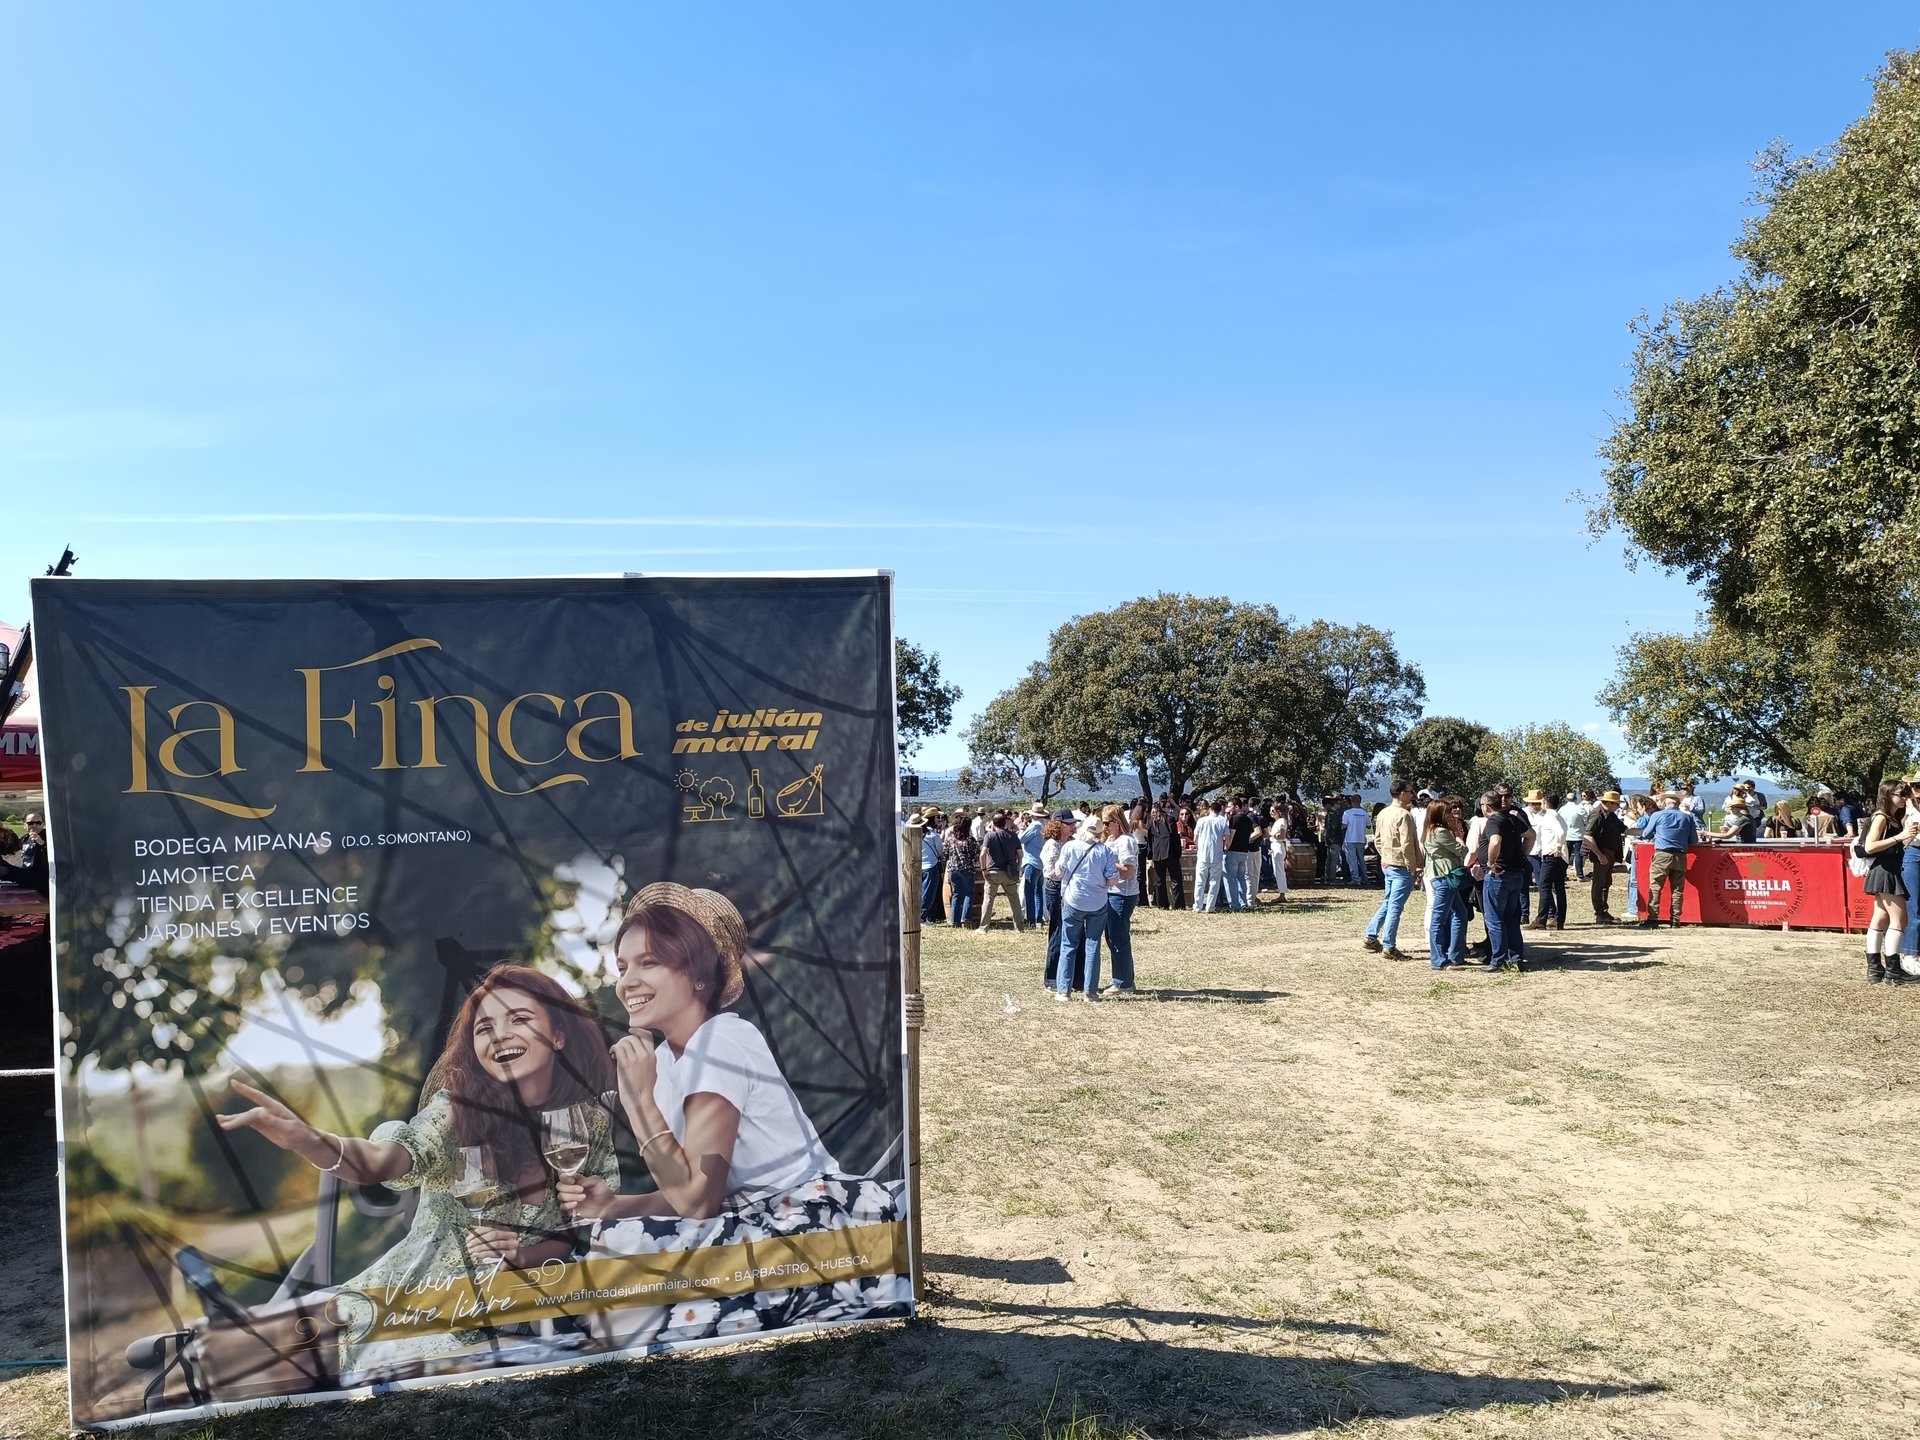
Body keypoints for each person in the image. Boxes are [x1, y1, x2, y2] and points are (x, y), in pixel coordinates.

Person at [219, 965, 618, 1378]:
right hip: (408, 1306)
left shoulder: (586, 1125)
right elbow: (381, 1161)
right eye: (484, 1028)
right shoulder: (456, 1113)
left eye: (519, 1019)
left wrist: (520, 1255)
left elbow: (567, 1236)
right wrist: (307, 1138)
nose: (499, 1034)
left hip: (501, 1313)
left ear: (558, 1035)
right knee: (235, 1369)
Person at [564, 884, 906, 1346]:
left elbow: (697, 1202)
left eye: (650, 962)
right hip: (744, 1216)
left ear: (698, 975)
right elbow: (694, 1186)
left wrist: (640, 1101)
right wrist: (613, 1206)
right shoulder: (664, 1060)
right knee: (613, 1244)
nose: (627, 982)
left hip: (807, 1216)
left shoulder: (720, 1041)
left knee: (624, 1267)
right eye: (623, 967)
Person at [1054, 817, 1119, 1001]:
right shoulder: (1105, 851)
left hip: (1073, 900)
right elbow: (1113, 880)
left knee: (1068, 944)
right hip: (1098, 901)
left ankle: (1063, 991)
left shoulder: (1070, 847)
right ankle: (1090, 992)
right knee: (1093, 945)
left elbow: (1059, 872)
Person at [1859, 781, 1917, 984]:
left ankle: (1875, 969)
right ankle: (1893, 970)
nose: (1905, 797)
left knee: (1880, 919)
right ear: (1888, 794)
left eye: (1907, 793)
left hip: (1885, 869)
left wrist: (1903, 837)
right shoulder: (1881, 817)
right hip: (1885, 871)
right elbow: (1870, 846)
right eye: (1902, 794)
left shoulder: (1891, 817)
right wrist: (1900, 836)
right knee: (1900, 921)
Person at [1363, 779, 1422, 960]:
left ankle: (1371, 936)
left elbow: (1378, 840)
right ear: (1402, 794)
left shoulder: (1383, 813)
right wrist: (1413, 867)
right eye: (1410, 792)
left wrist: (1385, 855)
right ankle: (1389, 946)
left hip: (1387, 863)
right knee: (1395, 907)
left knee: (1389, 902)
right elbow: (1407, 844)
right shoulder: (1404, 815)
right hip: (1401, 866)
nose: (1412, 795)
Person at [1474, 791, 1533, 973]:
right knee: (1511, 919)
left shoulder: (1494, 821)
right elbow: (1531, 835)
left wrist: (1491, 863)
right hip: (1515, 874)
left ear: (1486, 806)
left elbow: (1495, 841)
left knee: (1494, 919)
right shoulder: (1512, 819)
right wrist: (1522, 855)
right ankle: (1515, 958)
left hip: (1498, 876)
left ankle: (1498, 960)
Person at [1637, 792, 1700, 927]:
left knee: (1655, 886)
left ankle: (1653, 918)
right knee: (1677, 889)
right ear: (1678, 803)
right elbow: (1694, 840)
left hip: (1662, 854)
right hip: (1680, 855)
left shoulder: (1657, 815)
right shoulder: (1687, 817)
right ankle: (1675, 919)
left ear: (1665, 802)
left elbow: (1646, 834)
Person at [1421, 796, 1470, 968]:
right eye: (1448, 811)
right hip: (1445, 878)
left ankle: (1455, 955)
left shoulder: (1429, 830)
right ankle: (1439, 960)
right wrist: (1458, 834)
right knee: (1439, 918)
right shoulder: (1440, 832)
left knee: (1460, 913)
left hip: (1440, 877)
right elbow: (1462, 850)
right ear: (1439, 814)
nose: (1452, 814)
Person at [1101, 804, 1141, 993]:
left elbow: (1128, 870)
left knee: (1118, 937)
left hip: (1122, 894)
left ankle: (1123, 982)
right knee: (1112, 936)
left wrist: (1107, 863)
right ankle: (1124, 979)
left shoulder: (1126, 841)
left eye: (1106, 822)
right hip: (1111, 892)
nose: (1104, 826)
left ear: (1116, 822)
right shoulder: (1111, 840)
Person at [977, 812, 1029, 933]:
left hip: (993, 872)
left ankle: (983, 928)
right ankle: (1019, 927)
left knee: (988, 899)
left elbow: (983, 853)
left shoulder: (990, 836)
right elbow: (1020, 854)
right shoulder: (1013, 836)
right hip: (1010, 872)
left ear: (993, 823)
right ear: (1005, 823)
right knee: (1014, 899)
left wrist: (984, 869)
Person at [1527, 791, 1568, 931]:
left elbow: (1561, 832)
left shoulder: (1551, 817)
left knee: (1544, 886)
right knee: (1559, 888)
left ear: (1545, 803)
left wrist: (1558, 847)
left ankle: (1541, 919)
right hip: (1559, 857)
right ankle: (1559, 920)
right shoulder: (1558, 816)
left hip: (1552, 855)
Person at [1040, 813, 1072, 990]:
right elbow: (1052, 871)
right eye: (1069, 823)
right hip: (1055, 887)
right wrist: (1069, 871)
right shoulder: (1052, 845)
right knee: (1057, 931)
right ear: (1059, 824)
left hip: (1064, 887)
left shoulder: (1066, 843)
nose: (1073, 826)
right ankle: (1051, 978)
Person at [1585, 790, 1627, 925]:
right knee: (1599, 883)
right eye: (1616, 803)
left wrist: (1646, 831)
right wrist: (1599, 854)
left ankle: (1604, 911)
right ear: (1609, 803)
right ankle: (1599, 912)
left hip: (1609, 854)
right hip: (1602, 854)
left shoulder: (1611, 816)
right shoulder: (1597, 815)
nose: (1618, 806)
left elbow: (1625, 830)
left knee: (1606, 883)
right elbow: (1587, 836)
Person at [1190, 798, 1230, 912]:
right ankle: (1210, 906)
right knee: (1214, 882)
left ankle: (1197, 906)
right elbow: (1227, 837)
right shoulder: (1222, 821)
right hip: (1216, 854)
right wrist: (1224, 846)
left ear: (1210, 809)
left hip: (1203, 854)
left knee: (1200, 881)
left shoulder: (1201, 820)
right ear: (1220, 809)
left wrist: (1199, 847)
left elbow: (1195, 838)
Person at [942, 813, 980, 928]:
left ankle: (954, 920)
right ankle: (966, 918)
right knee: (969, 893)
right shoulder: (970, 840)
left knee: (956, 894)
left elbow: (945, 854)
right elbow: (975, 856)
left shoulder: (950, 839)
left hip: (953, 869)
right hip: (967, 869)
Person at [1146, 802, 1183, 909]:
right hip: (1170, 852)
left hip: (1157, 853)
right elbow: (1174, 837)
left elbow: (1149, 839)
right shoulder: (1170, 819)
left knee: (1159, 881)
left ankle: (1162, 904)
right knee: (1176, 879)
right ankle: (1178, 904)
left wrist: (1150, 854)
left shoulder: (1151, 821)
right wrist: (1178, 852)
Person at [1222, 797, 1255, 912]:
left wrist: (1226, 848)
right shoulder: (1248, 820)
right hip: (1244, 852)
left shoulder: (1235, 819)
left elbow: (1231, 836)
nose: (1228, 809)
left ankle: (1234, 905)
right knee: (1241, 878)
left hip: (1233, 852)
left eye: (1230, 806)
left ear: (1237, 807)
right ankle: (1243, 902)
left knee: (1231, 879)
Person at [1019, 804, 1048, 926]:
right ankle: (1038, 919)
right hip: (1041, 862)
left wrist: (1022, 829)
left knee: (1029, 891)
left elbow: (1021, 839)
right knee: (1038, 892)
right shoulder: (1045, 825)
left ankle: (1031, 919)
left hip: (1031, 861)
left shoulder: (1035, 826)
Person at [917, 811, 945, 925]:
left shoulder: (913, 835)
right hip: (931, 865)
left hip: (918, 865)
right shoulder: (933, 835)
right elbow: (940, 850)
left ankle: (920, 915)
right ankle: (922, 916)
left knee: (919, 892)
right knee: (928, 893)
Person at [1560, 791, 1592, 881]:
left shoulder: (1562, 809)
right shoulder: (1580, 808)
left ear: (1566, 799)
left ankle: (1563, 875)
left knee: (1566, 856)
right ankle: (1580, 875)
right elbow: (1587, 820)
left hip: (1566, 836)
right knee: (1579, 855)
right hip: (1578, 835)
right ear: (1576, 799)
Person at [1340, 798, 1368, 888]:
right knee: (1361, 859)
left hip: (1350, 839)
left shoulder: (1347, 813)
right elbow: (1367, 825)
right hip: (1361, 838)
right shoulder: (1365, 812)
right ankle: (1364, 878)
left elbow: (1344, 826)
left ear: (1351, 802)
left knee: (1352, 860)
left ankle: (1355, 878)